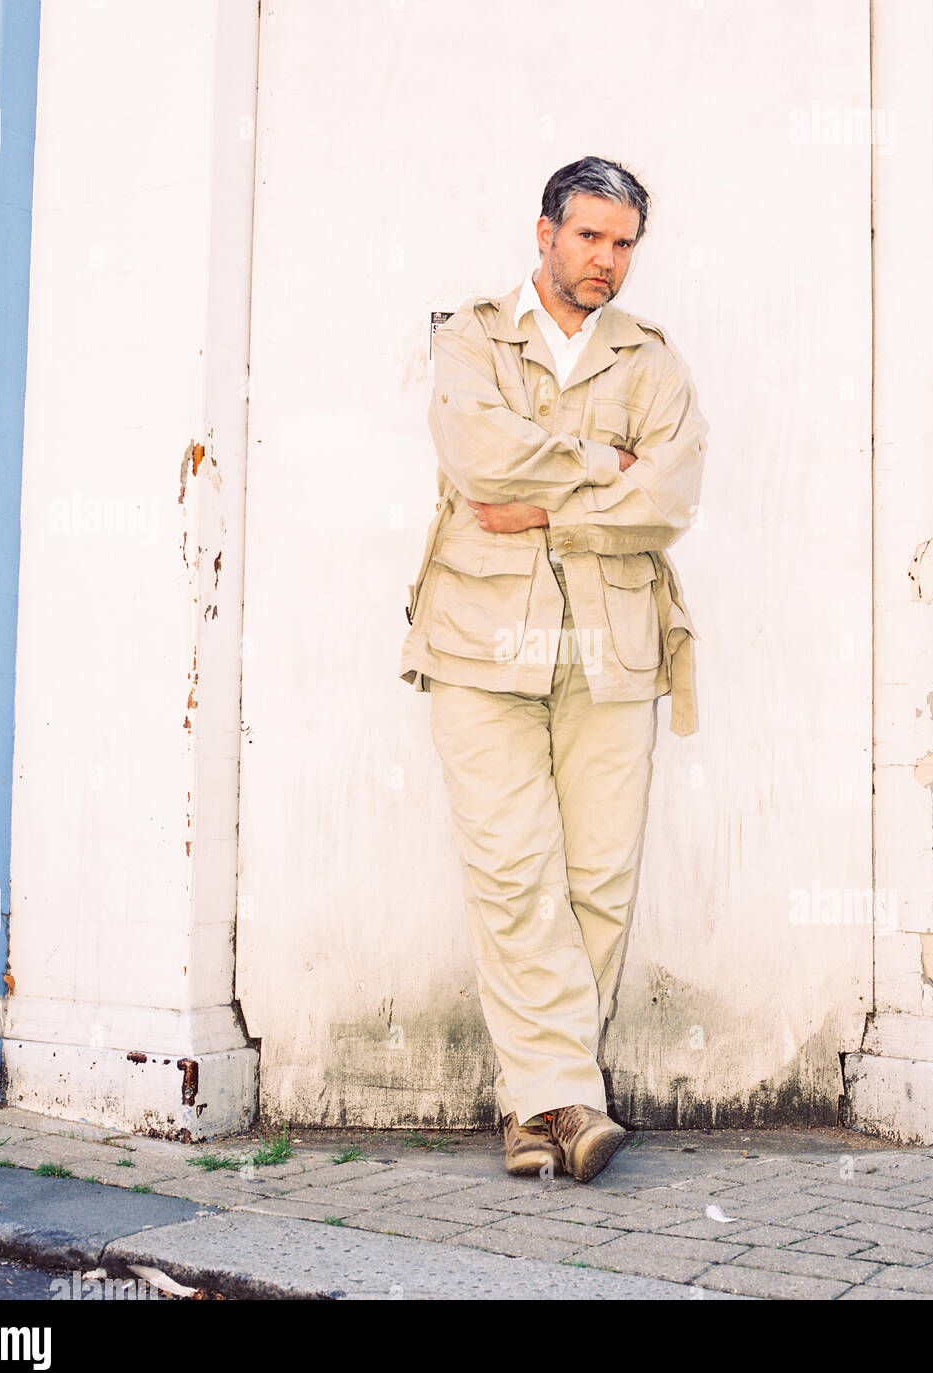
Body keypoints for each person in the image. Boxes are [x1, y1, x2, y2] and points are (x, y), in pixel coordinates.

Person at [399, 155, 708, 1182]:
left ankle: (539, 1109)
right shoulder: (472, 339)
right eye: (590, 238)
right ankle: (566, 1101)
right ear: (546, 232)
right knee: (512, 869)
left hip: (614, 643)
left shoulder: (654, 363)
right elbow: (480, 461)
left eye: (624, 244)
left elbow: (670, 497)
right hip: (481, 637)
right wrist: (603, 470)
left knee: (599, 882)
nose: (607, 261)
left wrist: (550, 504)